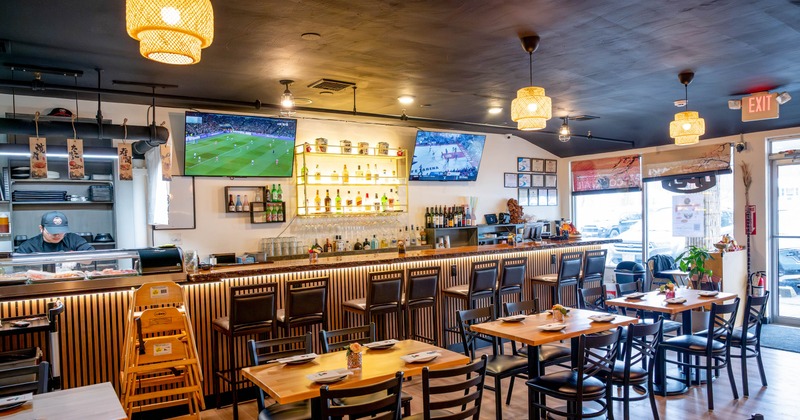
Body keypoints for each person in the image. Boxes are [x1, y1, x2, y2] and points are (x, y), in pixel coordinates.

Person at [16, 211, 95, 253]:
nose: (57, 235)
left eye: (61, 231)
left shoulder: (74, 239)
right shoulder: (28, 246)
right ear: (41, 228)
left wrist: (73, 258)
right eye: (52, 232)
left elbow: (92, 256)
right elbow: (19, 268)